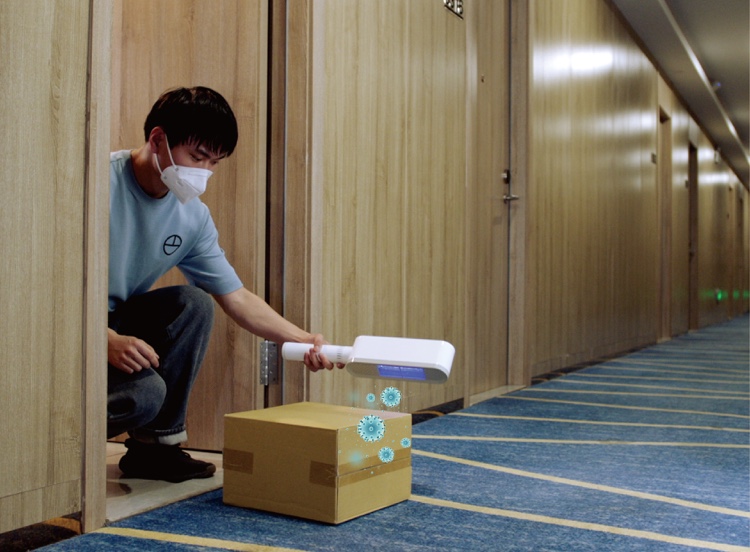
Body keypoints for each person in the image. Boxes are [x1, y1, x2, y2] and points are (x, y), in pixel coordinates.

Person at [108, 86, 340, 483]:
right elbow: (39, 285)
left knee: (193, 303)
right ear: (158, 139)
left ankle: (154, 450)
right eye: (197, 157)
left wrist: (303, 340)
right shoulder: (96, 182)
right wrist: (101, 339)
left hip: (114, 322)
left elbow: (236, 297)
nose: (204, 172)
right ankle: (42, 438)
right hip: (59, 327)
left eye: (214, 163)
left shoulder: (192, 217)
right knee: (144, 396)